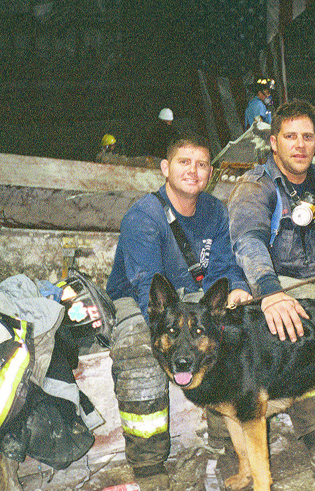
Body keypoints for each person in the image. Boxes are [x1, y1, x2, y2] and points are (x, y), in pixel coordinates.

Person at [227, 99, 315, 477]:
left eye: (307, 137)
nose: (300, 145)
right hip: (274, 278)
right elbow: (248, 242)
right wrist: (271, 291)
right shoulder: (255, 186)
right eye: (290, 137)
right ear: (274, 143)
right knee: (310, 317)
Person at [106, 133, 252, 486]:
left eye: (201, 164)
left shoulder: (215, 210)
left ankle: (227, 442)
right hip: (142, 298)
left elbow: (223, 266)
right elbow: (147, 288)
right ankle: (149, 463)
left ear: (210, 172)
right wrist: (171, 329)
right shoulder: (144, 216)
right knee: (139, 347)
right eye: (184, 162)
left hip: (192, 296)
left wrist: (238, 290)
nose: (193, 171)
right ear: (165, 168)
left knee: (228, 332)